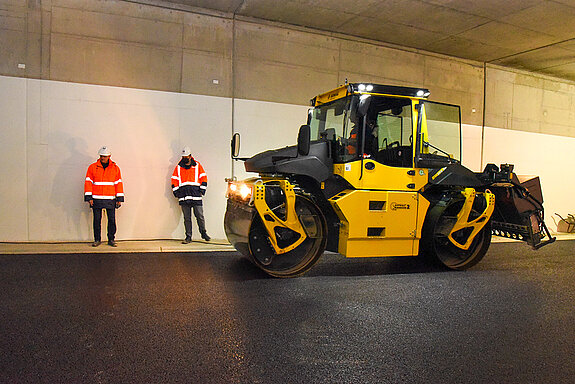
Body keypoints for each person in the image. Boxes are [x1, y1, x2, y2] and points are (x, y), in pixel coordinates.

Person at [84, 146, 124, 247]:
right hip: (96, 199)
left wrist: (119, 199)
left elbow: (118, 183)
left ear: (109, 156)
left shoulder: (115, 168)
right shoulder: (92, 168)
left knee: (111, 220)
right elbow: (88, 183)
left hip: (110, 199)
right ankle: (97, 239)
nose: (103, 158)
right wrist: (89, 198)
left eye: (105, 156)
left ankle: (111, 239)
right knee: (97, 221)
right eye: (101, 156)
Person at [171, 146, 211, 243]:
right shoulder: (179, 167)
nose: (185, 158)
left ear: (190, 156)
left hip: (195, 195)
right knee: (187, 218)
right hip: (184, 196)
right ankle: (188, 237)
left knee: (200, 216)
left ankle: (203, 233)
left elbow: (203, 177)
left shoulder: (197, 165)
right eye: (183, 157)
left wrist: (202, 190)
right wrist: (176, 192)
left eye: (186, 156)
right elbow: (174, 180)